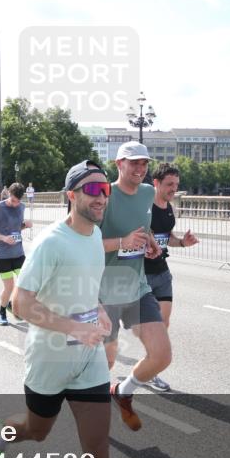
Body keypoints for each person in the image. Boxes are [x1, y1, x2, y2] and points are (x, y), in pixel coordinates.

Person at [0, 160, 115, 458]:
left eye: (105, 190)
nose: (102, 197)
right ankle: (1, 435)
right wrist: (74, 328)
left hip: (88, 361)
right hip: (49, 360)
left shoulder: (95, 235)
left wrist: (99, 308)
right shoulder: (51, 242)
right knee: (36, 431)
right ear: (71, 196)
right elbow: (21, 304)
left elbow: (86, 289)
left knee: (97, 451)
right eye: (93, 190)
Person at [99, 141, 170, 432]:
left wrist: (150, 241)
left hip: (137, 286)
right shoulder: (103, 195)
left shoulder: (148, 193)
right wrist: (121, 243)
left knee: (161, 355)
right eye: (133, 163)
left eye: (144, 163)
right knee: (107, 359)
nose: (140, 168)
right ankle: (91, 409)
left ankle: (123, 391)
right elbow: (83, 242)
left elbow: (144, 224)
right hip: (104, 291)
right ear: (119, 164)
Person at [142, 164, 199, 392]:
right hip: (141, 274)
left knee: (162, 325)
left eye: (176, 184)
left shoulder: (168, 208)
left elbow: (168, 238)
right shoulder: (144, 208)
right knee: (149, 326)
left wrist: (183, 242)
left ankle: (150, 371)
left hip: (162, 273)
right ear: (156, 183)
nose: (173, 189)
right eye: (169, 184)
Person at [0, 182, 32, 326]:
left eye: (18, 201)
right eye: (13, 200)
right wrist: (4, 238)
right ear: (8, 195)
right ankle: (1, 312)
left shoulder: (21, 207)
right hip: (3, 255)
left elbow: (16, 228)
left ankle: (12, 304)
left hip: (18, 252)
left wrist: (25, 225)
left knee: (27, 283)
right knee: (9, 287)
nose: (16, 204)